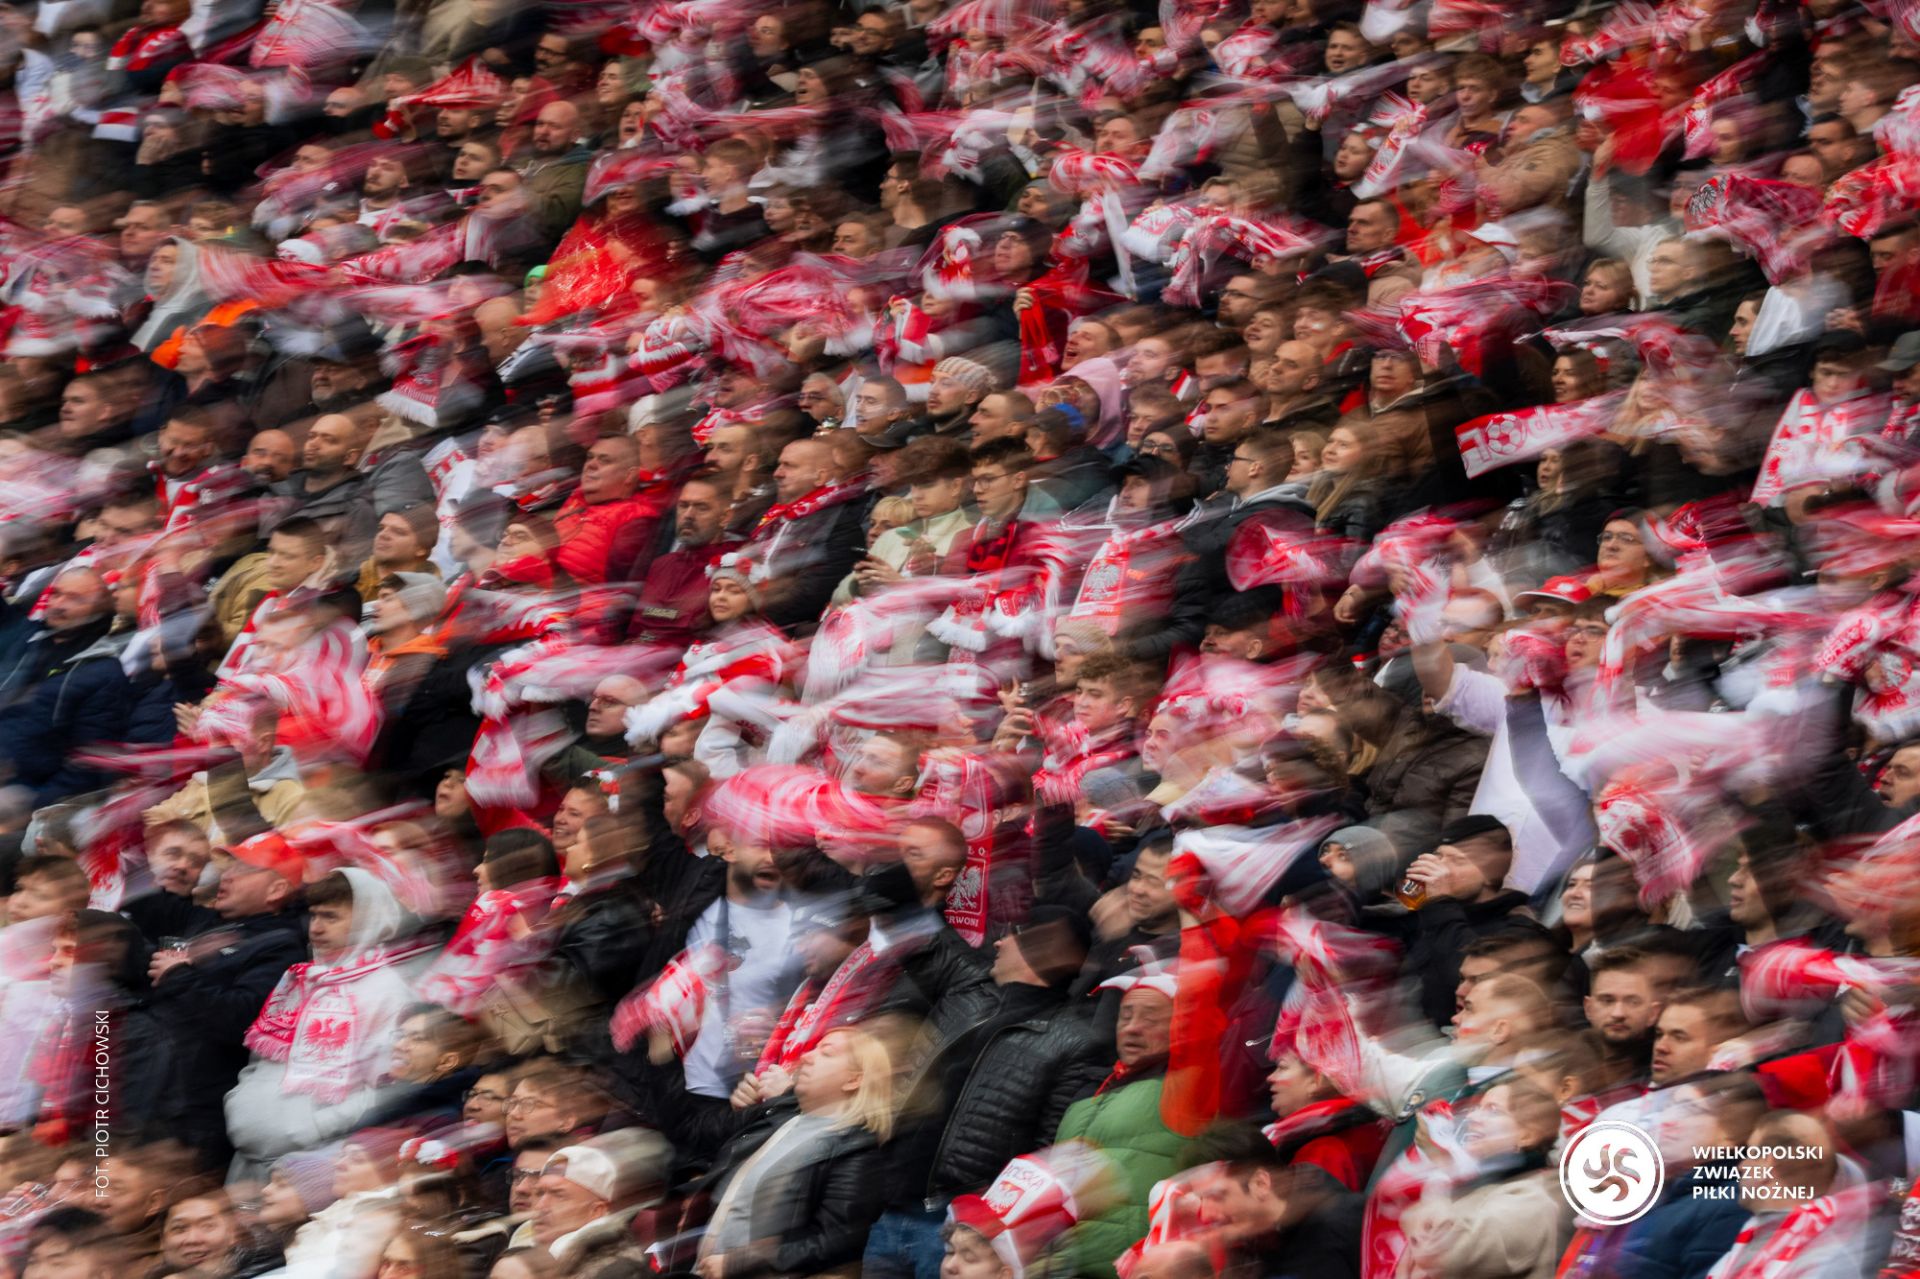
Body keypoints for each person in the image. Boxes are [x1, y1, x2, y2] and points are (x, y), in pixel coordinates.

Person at [693, 1027, 894, 1279]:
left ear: (853, 1080)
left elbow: (833, 1241)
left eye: (826, 1053)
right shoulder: (785, 1119)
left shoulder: (856, 1151)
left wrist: (736, 1263)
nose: (806, 1057)